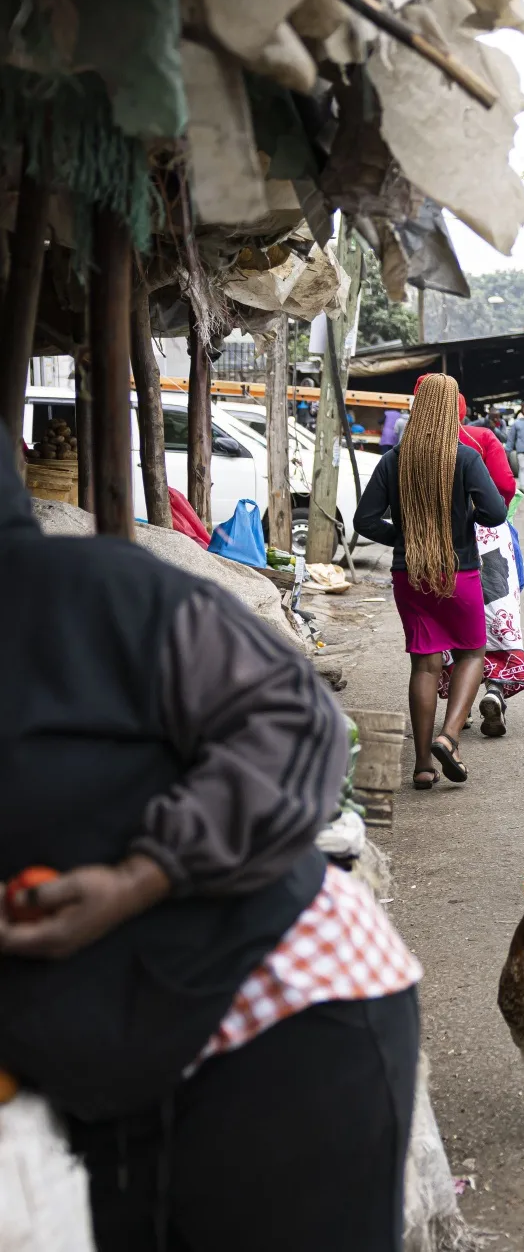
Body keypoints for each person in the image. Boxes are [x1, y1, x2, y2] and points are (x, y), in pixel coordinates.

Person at [0, 449, 421, 1250]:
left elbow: (297, 726)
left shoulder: (91, 592)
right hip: (109, 1069)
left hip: (278, 1017)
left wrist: (140, 876)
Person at [355, 373, 509, 789]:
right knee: (471, 655)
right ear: (451, 409)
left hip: (411, 575)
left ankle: (423, 764)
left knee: (424, 665)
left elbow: (365, 520)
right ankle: (450, 735)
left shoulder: (393, 459)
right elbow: (496, 513)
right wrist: (466, 520)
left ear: (417, 407)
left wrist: (403, 538)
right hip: (458, 574)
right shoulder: (466, 458)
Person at [438, 393, 524, 738]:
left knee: (447, 618)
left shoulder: (409, 446)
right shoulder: (482, 438)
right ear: (462, 410)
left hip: (436, 539)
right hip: (488, 537)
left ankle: (458, 706)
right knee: (497, 610)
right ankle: (495, 689)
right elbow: (505, 485)